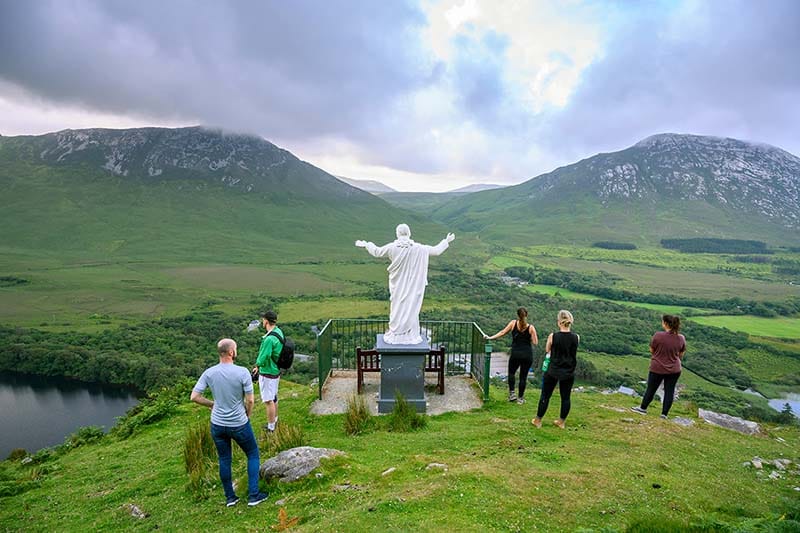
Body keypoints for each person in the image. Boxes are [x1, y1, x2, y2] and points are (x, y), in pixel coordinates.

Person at [191, 338, 268, 507]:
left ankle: (230, 498)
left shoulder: (209, 373)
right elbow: (250, 401)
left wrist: (213, 405)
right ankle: (254, 495)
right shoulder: (242, 373)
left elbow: (194, 397)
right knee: (253, 454)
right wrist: (247, 415)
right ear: (232, 352)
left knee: (224, 459)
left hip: (217, 424)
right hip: (238, 423)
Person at [355, 224, 455, 344]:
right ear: (409, 233)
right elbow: (436, 250)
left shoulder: (392, 247)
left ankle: (397, 334)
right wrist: (446, 241)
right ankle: (410, 335)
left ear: (397, 233)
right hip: (413, 286)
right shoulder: (419, 248)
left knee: (397, 307)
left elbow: (377, 252)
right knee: (411, 307)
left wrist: (367, 244)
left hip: (397, 286)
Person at [631, 314, 686, 419]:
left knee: (651, 388)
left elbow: (652, 349)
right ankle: (664, 414)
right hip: (674, 369)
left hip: (657, 367)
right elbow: (681, 353)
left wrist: (659, 355)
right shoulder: (681, 338)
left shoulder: (658, 335)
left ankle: (643, 408)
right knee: (669, 391)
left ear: (665, 323)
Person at [533, 310, 579, 429]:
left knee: (545, 396)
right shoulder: (576, 337)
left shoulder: (553, 336)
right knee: (566, 397)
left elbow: (547, 349)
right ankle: (561, 422)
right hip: (569, 371)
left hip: (553, 370)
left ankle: (538, 420)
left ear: (559, 322)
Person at [485, 307, 539, 404]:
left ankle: (512, 394)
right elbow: (535, 342)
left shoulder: (513, 323)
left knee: (511, 373)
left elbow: (502, 332)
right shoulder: (531, 328)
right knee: (523, 376)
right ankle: (520, 398)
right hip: (527, 354)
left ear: (518, 315)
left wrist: (490, 337)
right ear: (526, 315)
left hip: (515, 353)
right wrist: (529, 338)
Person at [252, 310, 283, 432]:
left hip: (268, 372)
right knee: (274, 397)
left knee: (268, 400)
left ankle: (271, 428)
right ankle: (275, 421)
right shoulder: (278, 332)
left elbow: (264, 356)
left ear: (266, 321)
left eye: (263, 320)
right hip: (276, 370)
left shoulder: (269, 339)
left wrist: (257, 366)